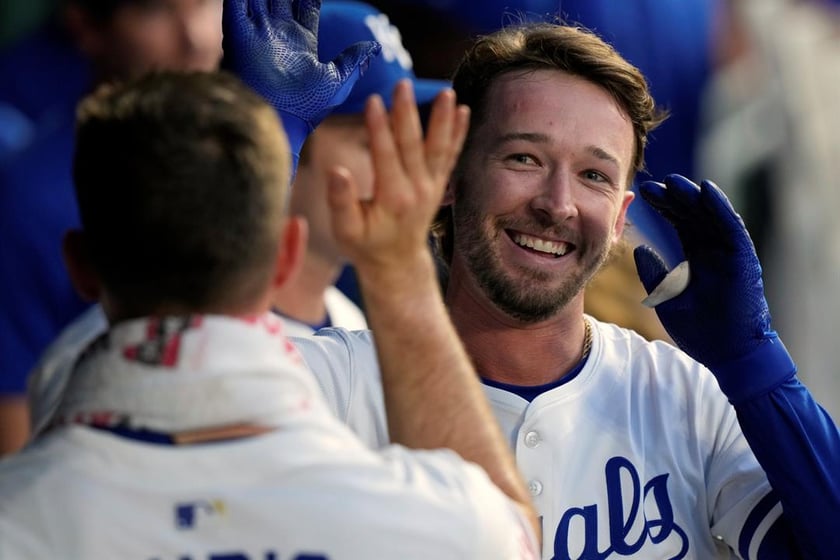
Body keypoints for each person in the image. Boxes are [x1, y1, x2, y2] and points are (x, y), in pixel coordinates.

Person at [287, 22, 840, 558]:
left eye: (594, 175)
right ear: (450, 176)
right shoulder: (324, 384)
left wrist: (756, 365)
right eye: (524, 158)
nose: (558, 204)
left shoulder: (685, 396)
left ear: (622, 217)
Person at [0, 19, 540, 560]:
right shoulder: (429, 518)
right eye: (368, 138)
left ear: (80, 266)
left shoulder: (19, 512)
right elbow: (511, 530)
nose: (403, 163)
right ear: (285, 256)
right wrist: (401, 273)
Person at [0, 0, 225, 455]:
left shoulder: (268, 160)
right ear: (84, 23)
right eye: (156, 11)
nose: (196, 37)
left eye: (205, 2)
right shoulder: (31, 196)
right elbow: (14, 431)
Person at [272, 0, 450, 335]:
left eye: (404, 143)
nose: (397, 171)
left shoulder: (352, 321)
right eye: (371, 144)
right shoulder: (201, 325)